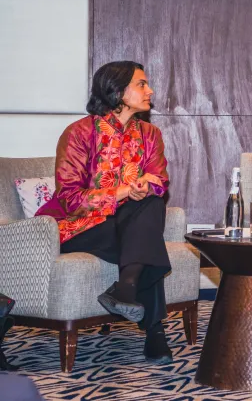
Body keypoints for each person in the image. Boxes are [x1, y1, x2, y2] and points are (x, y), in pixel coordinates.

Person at [35, 61, 173, 364]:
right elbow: (70, 198)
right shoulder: (79, 133)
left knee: (149, 207)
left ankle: (126, 288)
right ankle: (153, 328)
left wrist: (148, 186)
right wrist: (122, 191)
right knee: (145, 236)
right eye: (141, 84)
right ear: (118, 91)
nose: (150, 90)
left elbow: (161, 183)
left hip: (128, 222)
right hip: (77, 227)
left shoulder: (150, 134)